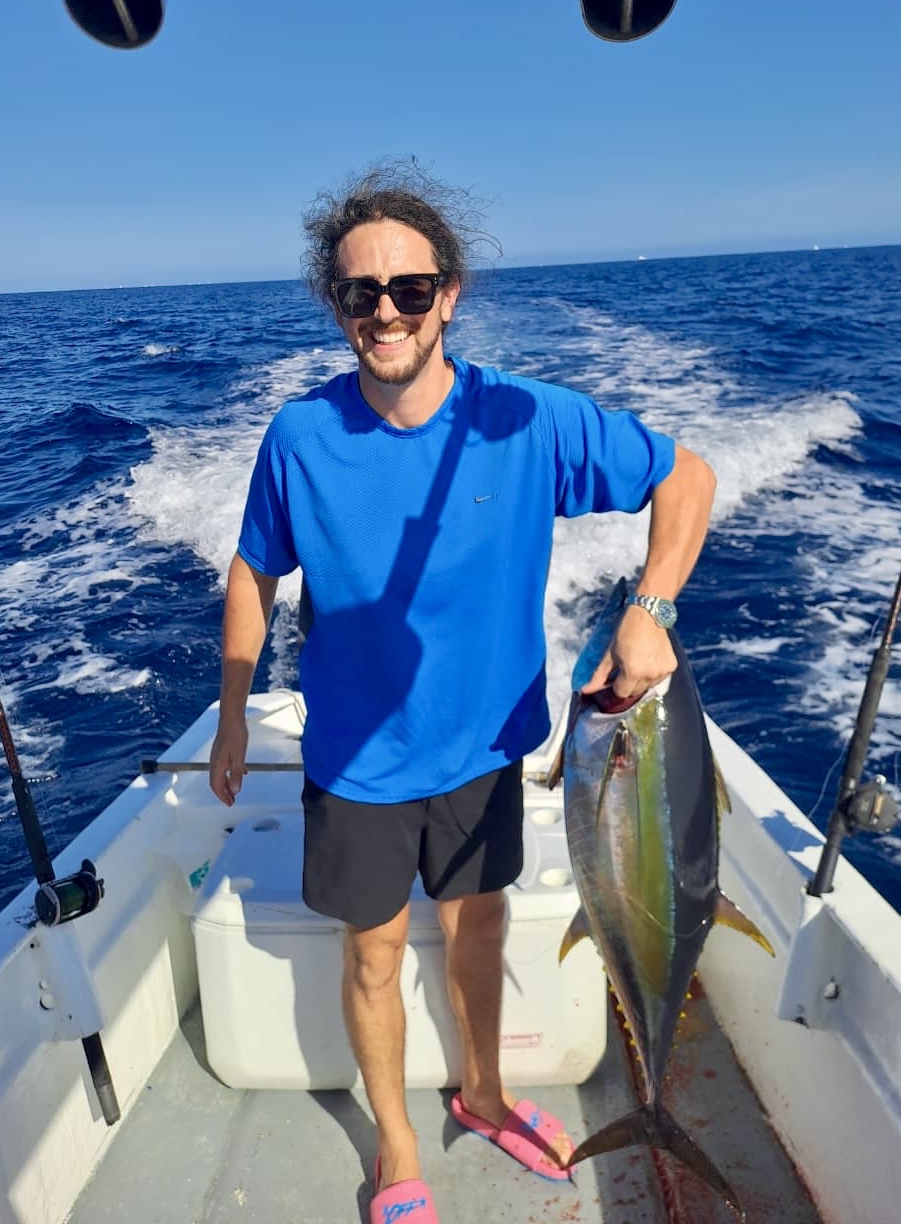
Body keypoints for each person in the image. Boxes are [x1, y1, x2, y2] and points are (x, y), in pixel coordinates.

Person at [209, 162, 716, 1224]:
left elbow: (687, 477)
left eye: (408, 288)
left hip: (487, 748)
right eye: (360, 293)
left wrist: (651, 609)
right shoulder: (301, 436)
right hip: (356, 761)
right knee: (374, 952)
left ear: (449, 293)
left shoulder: (527, 419)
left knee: (477, 926)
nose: (385, 311)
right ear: (336, 304)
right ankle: (397, 1147)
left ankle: (482, 1091)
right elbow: (254, 572)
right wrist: (228, 714)